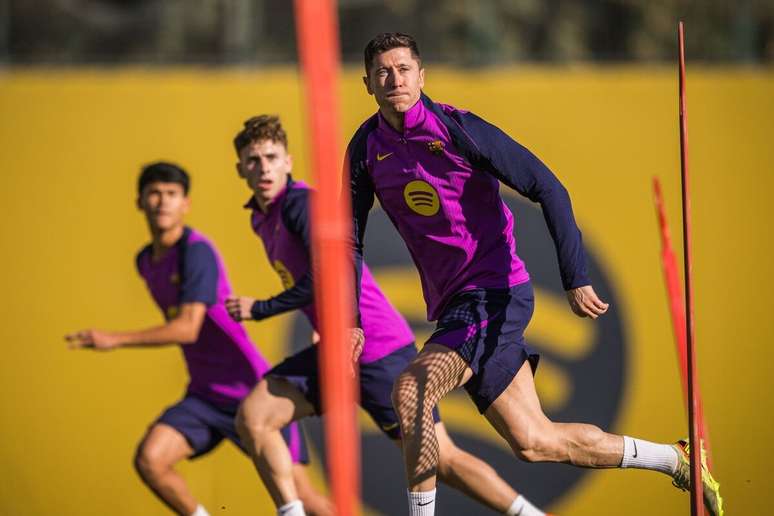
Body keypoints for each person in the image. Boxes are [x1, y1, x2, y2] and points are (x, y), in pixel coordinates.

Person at [344, 32, 723, 516]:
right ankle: (675, 460)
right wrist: (352, 318)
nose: (394, 78)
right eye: (383, 72)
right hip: (457, 305)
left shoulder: (459, 128)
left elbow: (547, 186)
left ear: (422, 75)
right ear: (367, 84)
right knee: (535, 441)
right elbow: (348, 239)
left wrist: (575, 274)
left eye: (403, 68)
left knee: (412, 389)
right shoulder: (365, 149)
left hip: (493, 294)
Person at [226, 115, 551, 516]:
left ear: (288, 161)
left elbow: (325, 274)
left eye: (271, 157)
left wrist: (260, 309)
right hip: (338, 351)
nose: (263, 168)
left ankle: (529, 514)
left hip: (377, 347)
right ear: (240, 168)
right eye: (253, 160)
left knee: (445, 460)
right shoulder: (262, 215)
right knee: (254, 418)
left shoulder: (300, 205)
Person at [65, 162, 331, 516]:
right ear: (140, 202)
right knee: (151, 460)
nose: (163, 202)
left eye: (172, 195)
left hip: (252, 392)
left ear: (185, 204)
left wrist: (113, 339)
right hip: (205, 395)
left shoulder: (197, 252)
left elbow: (187, 328)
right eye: (155, 194)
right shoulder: (145, 261)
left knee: (307, 501)